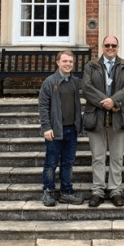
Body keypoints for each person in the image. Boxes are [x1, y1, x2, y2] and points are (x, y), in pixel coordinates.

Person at [82, 35, 124, 207]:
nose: (110, 48)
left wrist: (115, 100)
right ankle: (97, 190)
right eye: (107, 45)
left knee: (117, 157)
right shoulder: (91, 66)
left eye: (113, 45)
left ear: (118, 47)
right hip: (96, 117)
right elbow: (87, 88)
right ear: (102, 47)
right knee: (97, 157)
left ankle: (115, 190)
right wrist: (106, 102)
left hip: (119, 118)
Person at [38, 50, 83, 207]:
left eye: (70, 62)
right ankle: (48, 192)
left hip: (71, 130)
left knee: (68, 163)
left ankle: (66, 192)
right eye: (65, 61)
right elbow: (43, 106)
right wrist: (46, 127)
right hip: (55, 130)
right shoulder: (50, 82)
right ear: (57, 62)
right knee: (51, 162)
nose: (68, 64)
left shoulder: (74, 82)